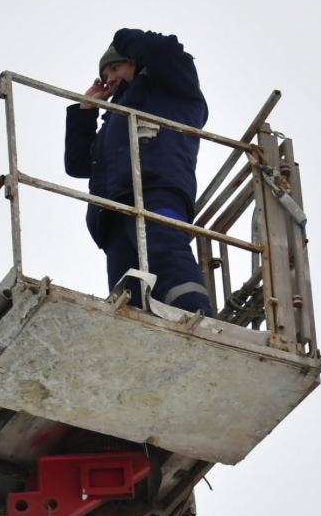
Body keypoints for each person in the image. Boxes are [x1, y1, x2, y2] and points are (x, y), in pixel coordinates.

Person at [63, 28, 214, 315]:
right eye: (105, 73)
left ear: (136, 61)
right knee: (127, 291)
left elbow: (164, 50)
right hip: (113, 211)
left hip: (156, 191)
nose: (109, 78)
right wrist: (87, 108)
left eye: (115, 67)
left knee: (166, 253)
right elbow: (78, 164)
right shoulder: (114, 122)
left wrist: (119, 37)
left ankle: (196, 317)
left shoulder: (172, 90)